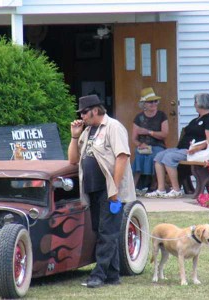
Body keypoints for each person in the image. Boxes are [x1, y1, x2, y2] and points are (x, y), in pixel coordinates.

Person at [68, 94, 135, 288]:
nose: (82, 116)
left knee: (107, 233)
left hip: (109, 189)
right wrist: (74, 135)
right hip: (93, 189)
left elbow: (122, 157)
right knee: (102, 231)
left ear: (96, 110)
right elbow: (73, 159)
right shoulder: (87, 130)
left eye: (84, 112)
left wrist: (113, 190)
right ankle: (113, 276)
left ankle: (98, 276)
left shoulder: (113, 127)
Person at [145, 92, 209, 198]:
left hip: (197, 152)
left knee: (169, 157)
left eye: (195, 102)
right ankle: (160, 189)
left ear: (200, 104)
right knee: (159, 156)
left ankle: (176, 189)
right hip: (185, 150)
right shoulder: (196, 120)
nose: (194, 104)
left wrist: (196, 148)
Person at [132, 87, 169, 194]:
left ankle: (154, 185)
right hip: (143, 146)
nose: (153, 104)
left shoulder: (162, 116)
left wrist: (149, 132)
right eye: (150, 102)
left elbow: (164, 134)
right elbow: (134, 138)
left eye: (155, 101)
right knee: (139, 154)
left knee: (155, 154)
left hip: (158, 145)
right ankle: (133, 187)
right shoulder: (138, 118)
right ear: (144, 104)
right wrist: (140, 144)